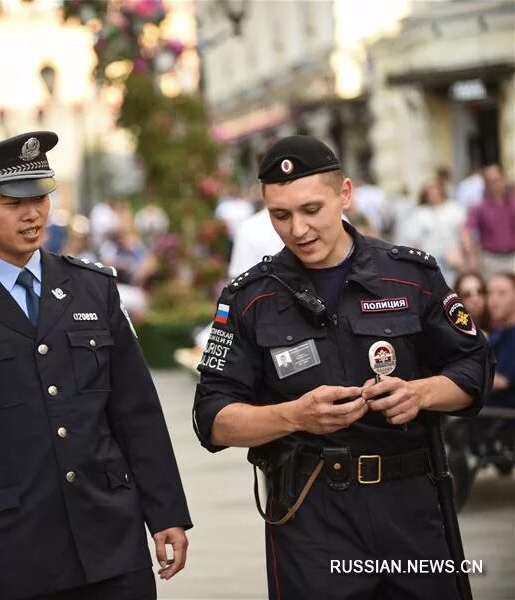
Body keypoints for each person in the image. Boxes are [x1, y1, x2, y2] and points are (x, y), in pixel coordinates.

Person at [192, 136, 493, 599]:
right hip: (311, 515)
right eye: (280, 215)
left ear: (345, 194)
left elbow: (475, 365)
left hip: (411, 504)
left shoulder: (410, 276)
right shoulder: (249, 298)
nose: (298, 229)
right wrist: (294, 416)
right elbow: (211, 418)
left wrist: (421, 393)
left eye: (311, 209)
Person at [0, 131, 191, 600]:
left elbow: (137, 412)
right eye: (13, 201)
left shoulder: (93, 289)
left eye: (39, 196)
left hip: (110, 540)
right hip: (12, 553)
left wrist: (166, 511)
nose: (32, 213)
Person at [398, 181, 466, 283]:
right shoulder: (419, 213)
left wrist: (462, 254)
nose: (433, 196)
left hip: (452, 257)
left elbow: (464, 234)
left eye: (436, 193)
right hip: (429, 259)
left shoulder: (455, 209)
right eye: (430, 194)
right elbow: (414, 240)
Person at [461, 164, 515, 278]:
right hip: (490, 259)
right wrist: (470, 255)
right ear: (486, 184)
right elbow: (466, 230)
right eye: (491, 181)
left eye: (497, 179)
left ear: (504, 178)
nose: (496, 184)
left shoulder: (513, 202)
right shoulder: (479, 207)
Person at [486, 272, 515, 408]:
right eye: (490, 293)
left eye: (502, 293)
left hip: (505, 421)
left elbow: (502, 381)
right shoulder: (496, 334)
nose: (493, 300)